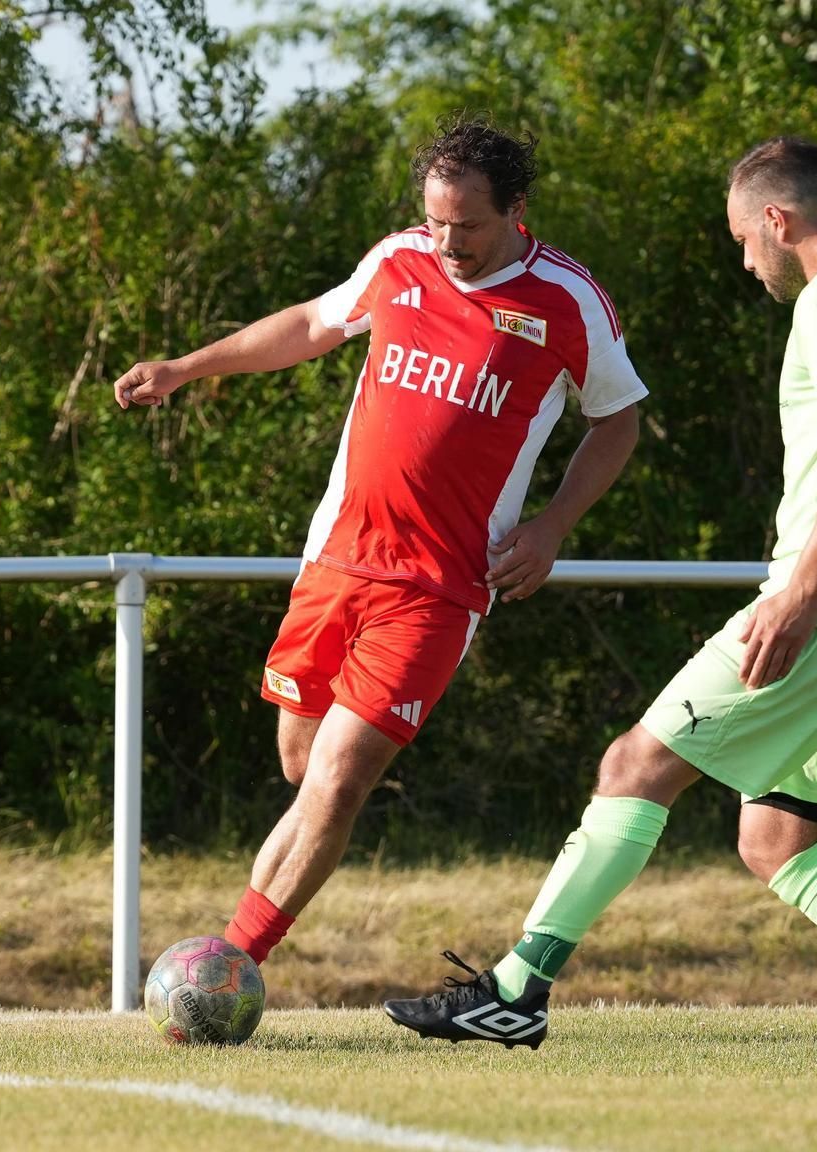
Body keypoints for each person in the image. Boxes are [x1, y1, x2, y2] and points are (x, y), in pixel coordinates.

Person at [384, 136, 817, 1072]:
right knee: (775, 837)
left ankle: (517, 993)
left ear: (778, 219)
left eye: (741, 240)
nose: (745, 260)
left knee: (634, 765)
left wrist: (799, 593)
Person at [111, 117, 647, 973]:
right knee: (303, 763)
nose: (448, 242)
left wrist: (550, 527)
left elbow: (618, 419)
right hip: (335, 559)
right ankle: (232, 954)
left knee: (339, 781)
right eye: (435, 221)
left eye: (467, 225)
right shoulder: (400, 261)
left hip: (439, 586)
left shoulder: (567, 299)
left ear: (515, 210)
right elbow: (310, 325)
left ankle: (226, 969)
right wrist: (186, 367)